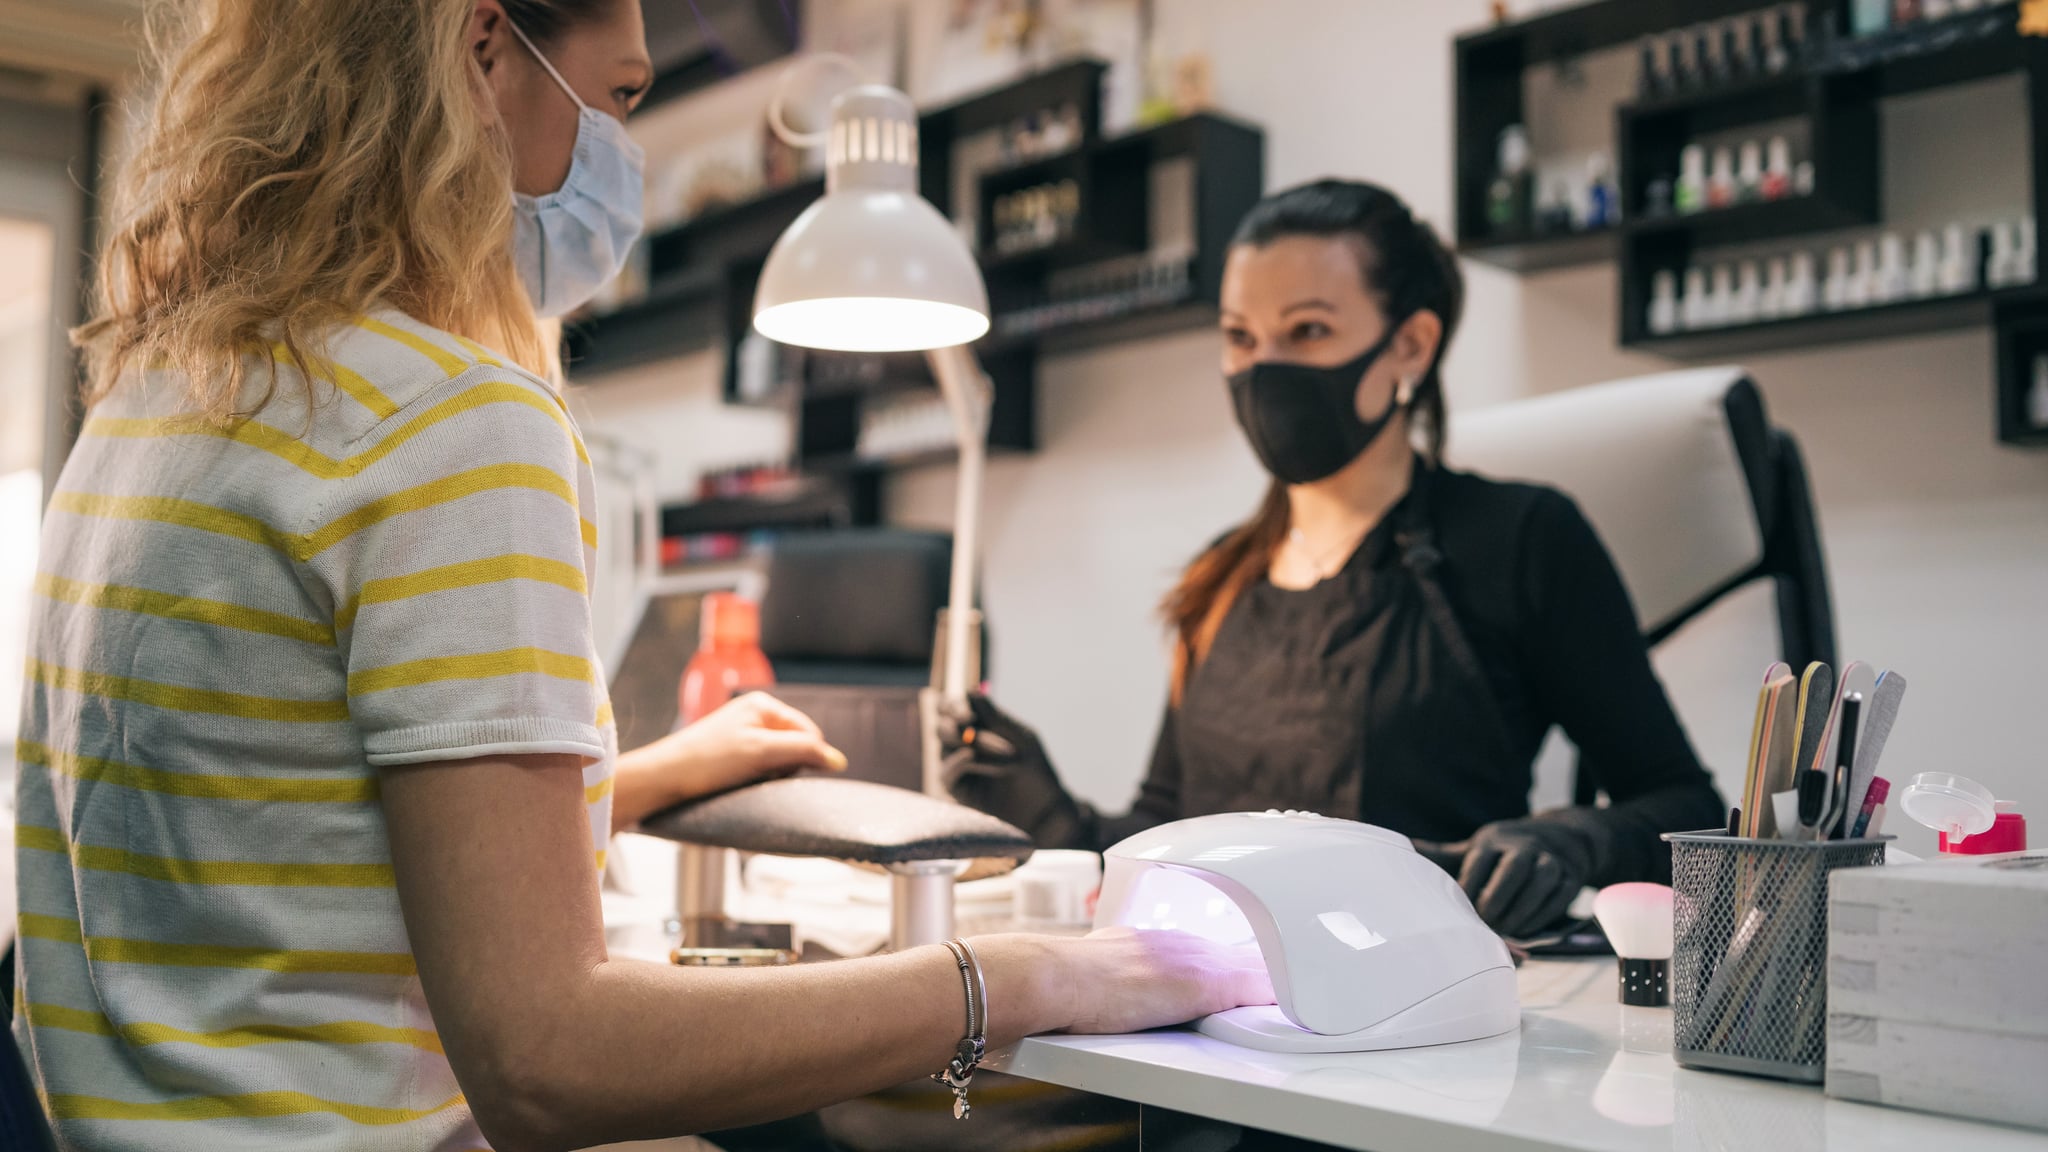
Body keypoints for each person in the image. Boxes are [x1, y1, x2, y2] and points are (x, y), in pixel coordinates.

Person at [10, 2, 1269, 1150]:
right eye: (619, 98)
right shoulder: (449, 424)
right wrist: (1019, 978)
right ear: (486, 50)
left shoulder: (161, 402)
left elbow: (273, 820)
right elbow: (548, 1059)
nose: (627, 153)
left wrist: (644, 777)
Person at [948, 179, 1726, 940]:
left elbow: (1684, 806)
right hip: (1209, 1016)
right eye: (1241, 338)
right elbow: (1168, 831)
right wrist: (1048, 812)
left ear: (1410, 345)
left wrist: (1572, 840)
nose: (1264, 371)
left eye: (1308, 332)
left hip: (1418, 1019)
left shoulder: (1521, 538)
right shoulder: (1219, 580)